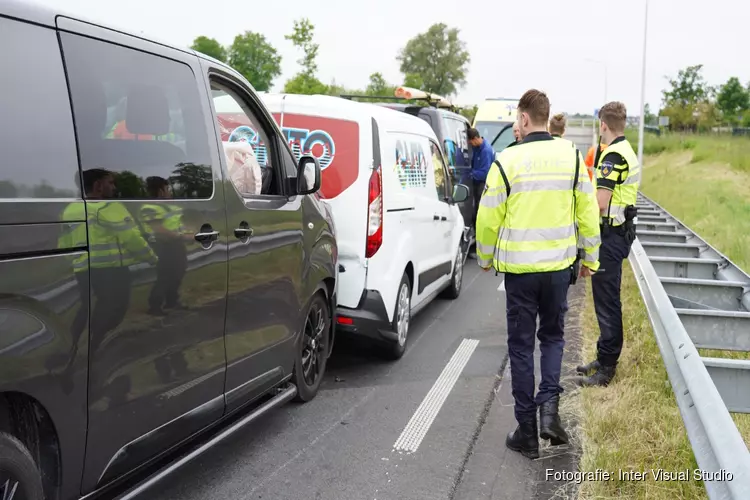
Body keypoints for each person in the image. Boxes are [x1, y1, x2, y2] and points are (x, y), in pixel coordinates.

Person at [476, 89, 601, 459]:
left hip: (520, 273)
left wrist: (485, 257)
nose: (517, 124)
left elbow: (488, 217)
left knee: (520, 346)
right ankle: (550, 413)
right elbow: (588, 211)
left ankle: (527, 432)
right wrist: (590, 258)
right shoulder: (573, 156)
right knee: (552, 339)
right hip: (559, 271)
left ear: (525, 119)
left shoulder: (506, 161)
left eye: (517, 119)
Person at [576, 102, 641, 387]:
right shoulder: (627, 150)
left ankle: (607, 368)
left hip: (611, 236)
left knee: (607, 302)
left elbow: (600, 204)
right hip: (618, 234)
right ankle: (603, 358)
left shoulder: (612, 156)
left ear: (603, 124)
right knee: (606, 299)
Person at [140, 177, 190, 315]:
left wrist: (188, 234)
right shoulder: (150, 207)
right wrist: (180, 236)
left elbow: (179, 223)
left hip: (176, 245)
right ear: (160, 190)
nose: (170, 192)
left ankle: (172, 301)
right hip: (163, 245)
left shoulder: (171, 206)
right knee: (165, 275)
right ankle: (155, 305)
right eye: (167, 189)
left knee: (179, 271)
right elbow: (158, 228)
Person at [467, 127, 495, 228]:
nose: (471, 145)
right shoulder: (476, 148)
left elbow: (484, 173)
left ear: (475, 138)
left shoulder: (486, 151)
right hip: (475, 182)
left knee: (480, 209)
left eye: (471, 143)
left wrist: (469, 173)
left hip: (483, 184)